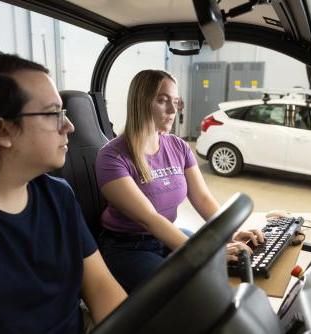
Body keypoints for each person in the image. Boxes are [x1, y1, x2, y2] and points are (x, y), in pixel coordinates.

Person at [0, 53, 126, 333]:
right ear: (1, 130)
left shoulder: (59, 196)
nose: (69, 126)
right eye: (54, 113)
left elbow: (102, 290)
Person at [95, 69, 264, 292]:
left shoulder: (178, 146)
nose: (173, 110)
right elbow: (150, 219)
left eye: (175, 101)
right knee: (183, 292)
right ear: (141, 102)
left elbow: (202, 199)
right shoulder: (112, 157)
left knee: (220, 270)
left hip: (167, 236)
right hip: (128, 247)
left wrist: (229, 232)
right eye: (163, 101)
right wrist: (203, 252)